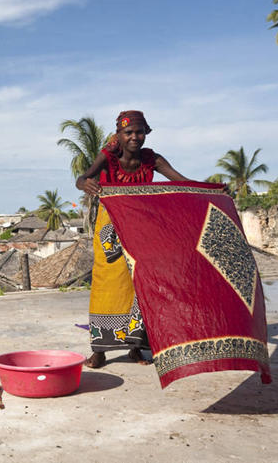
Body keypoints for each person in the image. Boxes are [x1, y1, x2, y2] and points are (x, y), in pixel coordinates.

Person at [75, 110, 189, 368]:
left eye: (139, 132)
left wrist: (211, 190)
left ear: (146, 133)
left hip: (141, 226)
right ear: (119, 135)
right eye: (128, 132)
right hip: (109, 228)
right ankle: (100, 351)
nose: (134, 137)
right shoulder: (108, 157)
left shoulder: (152, 160)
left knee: (142, 282)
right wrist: (86, 184)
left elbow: (182, 182)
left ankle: (136, 348)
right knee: (107, 284)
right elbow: (81, 178)